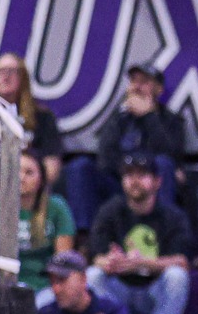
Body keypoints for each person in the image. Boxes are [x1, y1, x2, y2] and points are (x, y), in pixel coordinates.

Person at [85, 152, 195, 314]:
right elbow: (96, 258)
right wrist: (109, 262)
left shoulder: (172, 216)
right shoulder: (109, 211)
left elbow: (182, 262)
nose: (134, 181)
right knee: (93, 275)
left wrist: (141, 263)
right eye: (128, 175)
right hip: (120, 290)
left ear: (158, 182)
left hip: (153, 291)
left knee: (177, 277)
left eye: (142, 175)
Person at [66, 63, 185, 227]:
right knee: (81, 167)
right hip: (119, 182)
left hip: (152, 185)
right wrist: (129, 174)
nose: (137, 87)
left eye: (144, 82)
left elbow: (171, 156)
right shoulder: (119, 118)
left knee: (164, 164)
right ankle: (83, 235)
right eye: (133, 81)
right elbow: (105, 158)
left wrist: (149, 116)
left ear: (159, 90)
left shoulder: (171, 121)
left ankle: (161, 230)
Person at [0, 53, 66, 183]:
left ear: (23, 78)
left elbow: (52, 169)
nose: (6, 76)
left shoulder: (42, 117)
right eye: (1, 71)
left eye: (12, 71)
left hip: (31, 189)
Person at [11, 149, 77, 294]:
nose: (21, 178)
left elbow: (63, 261)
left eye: (29, 173)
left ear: (41, 179)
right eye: (17, 171)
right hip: (8, 286)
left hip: (46, 287)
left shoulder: (57, 207)